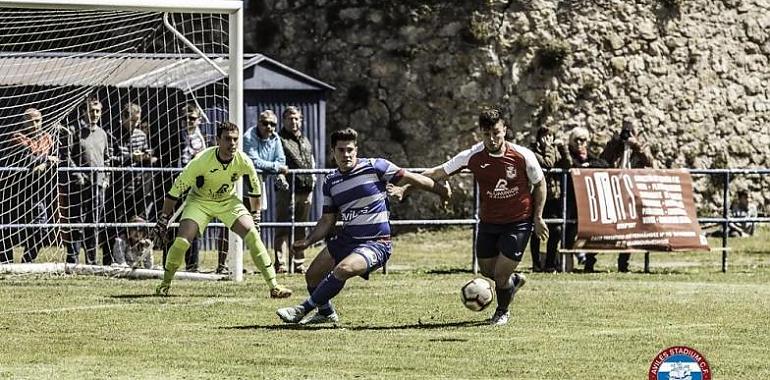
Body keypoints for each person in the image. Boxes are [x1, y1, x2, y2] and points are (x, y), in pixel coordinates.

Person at [389, 107, 548, 325]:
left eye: (496, 133)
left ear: (505, 130)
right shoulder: (472, 156)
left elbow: (540, 184)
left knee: (499, 276)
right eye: (486, 134)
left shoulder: (523, 156)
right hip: (489, 221)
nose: (492, 139)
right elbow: (436, 173)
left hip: (518, 222)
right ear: (480, 134)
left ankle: (502, 311)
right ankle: (513, 281)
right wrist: (405, 188)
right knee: (487, 271)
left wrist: (538, 217)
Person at [275, 127, 449, 325]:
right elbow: (327, 220)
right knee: (312, 275)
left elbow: (414, 179)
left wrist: (442, 192)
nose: (346, 154)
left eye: (350, 149)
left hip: (377, 243)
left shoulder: (376, 167)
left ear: (356, 150)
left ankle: (301, 310)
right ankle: (325, 313)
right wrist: (307, 241)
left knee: (344, 268)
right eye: (341, 150)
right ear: (333, 152)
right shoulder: (331, 181)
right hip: (347, 240)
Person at [153, 121, 292, 298]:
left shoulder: (243, 161)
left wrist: (255, 216)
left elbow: (255, 189)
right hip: (199, 202)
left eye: (235, 139)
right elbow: (175, 190)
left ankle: (274, 286)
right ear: (218, 140)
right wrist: (164, 218)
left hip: (228, 202)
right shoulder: (201, 161)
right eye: (227, 139)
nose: (232, 144)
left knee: (252, 234)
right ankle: (164, 284)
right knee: (182, 242)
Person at [0, 108, 57, 263]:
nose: (34, 124)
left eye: (37, 121)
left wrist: (44, 163)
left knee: (41, 230)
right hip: (16, 192)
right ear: (24, 122)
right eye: (30, 121)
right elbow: (24, 158)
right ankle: (5, 262)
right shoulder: (17, 137)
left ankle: (27, 261)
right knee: (9, 230)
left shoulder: (47, 138)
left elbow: (57, 158)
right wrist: (44, 160)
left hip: (38, 192)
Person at [600, 120, 654, 272]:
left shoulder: (641, 147)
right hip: (614, 190)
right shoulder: (615, 146)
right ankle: (590, 261)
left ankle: (623, 264)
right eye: (625, 131)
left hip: (632, 193)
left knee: (630, 229)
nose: (627, 134)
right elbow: (603, 159)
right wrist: (615, 143)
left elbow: (650, 163)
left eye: (630, 132)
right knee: (603, 227)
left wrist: (636, 145)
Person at [62, 97, 111, 265]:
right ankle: (73, 260)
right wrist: (78, 175)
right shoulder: (74, 131)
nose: (95, 114)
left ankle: (92, 261)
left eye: (97, 111)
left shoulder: (103, 134)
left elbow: (107, 158)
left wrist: (106, 178)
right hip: (80, 185)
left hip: (98, 186)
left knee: (94, 224)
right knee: (77, 223)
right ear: (84, 112)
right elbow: (66, 156)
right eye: (91, 110)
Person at [107, 103, 157, 262]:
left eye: (137, 121)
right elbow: (110, 159)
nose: (135, 124)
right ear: (123, 118)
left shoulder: (141, 135)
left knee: (138, 226)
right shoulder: (113, 134)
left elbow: (146, 154)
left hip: (138, 186)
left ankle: (136, 260)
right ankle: (112, 260)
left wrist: (147, 155)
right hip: (119, 188)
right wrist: (130, 158)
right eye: (132, 121)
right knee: (117, 226)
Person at [242, 109, 290, 272]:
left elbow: (281, 158)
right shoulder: (249, 137)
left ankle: (258, 265)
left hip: (259, 185)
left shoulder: (275, 138)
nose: (269, 127)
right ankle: (225, 264)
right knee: (234, 225)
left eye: (273, 124)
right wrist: (277, 168)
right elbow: (253, 162)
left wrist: (277, 167)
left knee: (255, 226)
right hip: (241, 185)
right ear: (258, 123)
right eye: (265, 123)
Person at [275, 106, 316, 274]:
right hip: (287, 191)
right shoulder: (279, 139)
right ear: (284, 120)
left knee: (301, 227)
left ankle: (298, 263)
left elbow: (311, 161)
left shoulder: (305, 140)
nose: (294, 121)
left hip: (306, 189)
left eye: (297, 118)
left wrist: (313, 179)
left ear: (301, 120)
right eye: (290, 118)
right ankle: (281, 263)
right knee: (283, 227)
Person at [176, 104, 215, 273]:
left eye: (192, 118)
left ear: (199, 120)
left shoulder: (201, 139)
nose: (188, 122)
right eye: (185, 118)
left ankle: (192, 264)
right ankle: (170, 263)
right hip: (178, 183)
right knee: (173, 225)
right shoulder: (176, 136)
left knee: (192, 224)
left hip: (195, 185)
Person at [528, 126, 562, 273]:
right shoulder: (532, 153)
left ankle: (550, 264)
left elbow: (565, 163)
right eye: (545, 136)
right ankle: (536, 264)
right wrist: (549, 148)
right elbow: (548, 164)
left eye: (550, 136)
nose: (547, 140)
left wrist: (563, 148)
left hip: (553, 197)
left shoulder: (555, 150)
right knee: (535, 231)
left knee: (556, 230)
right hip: (537, 196)